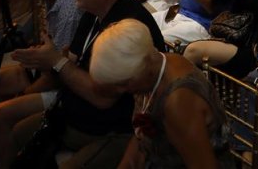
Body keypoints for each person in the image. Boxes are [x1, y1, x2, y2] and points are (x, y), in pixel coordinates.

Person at [0, 0, 165, 169]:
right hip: (74, 113)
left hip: (111, 130)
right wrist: (49, 59)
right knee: (17, 131)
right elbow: (73, 58)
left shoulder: (127, 26)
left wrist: (56, 61)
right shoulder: (94, 11)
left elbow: (102, 98)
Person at [89, 19, 232, 168]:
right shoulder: (155, 67)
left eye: (124, 83)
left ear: (143, 65)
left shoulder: (177, 103)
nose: (121, 91)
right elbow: (141, 138)